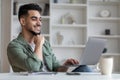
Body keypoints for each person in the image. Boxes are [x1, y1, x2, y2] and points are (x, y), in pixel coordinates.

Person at [7, 3, 92, 72]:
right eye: (34, 19)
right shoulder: (14, 46)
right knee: (85, 70)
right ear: (23, 21)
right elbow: (34, 68)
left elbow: (55, 68)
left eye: (40, 19)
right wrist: (39, 44)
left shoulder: (45, 43)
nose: (39, 23)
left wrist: (65, 66)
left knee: (84, 68)